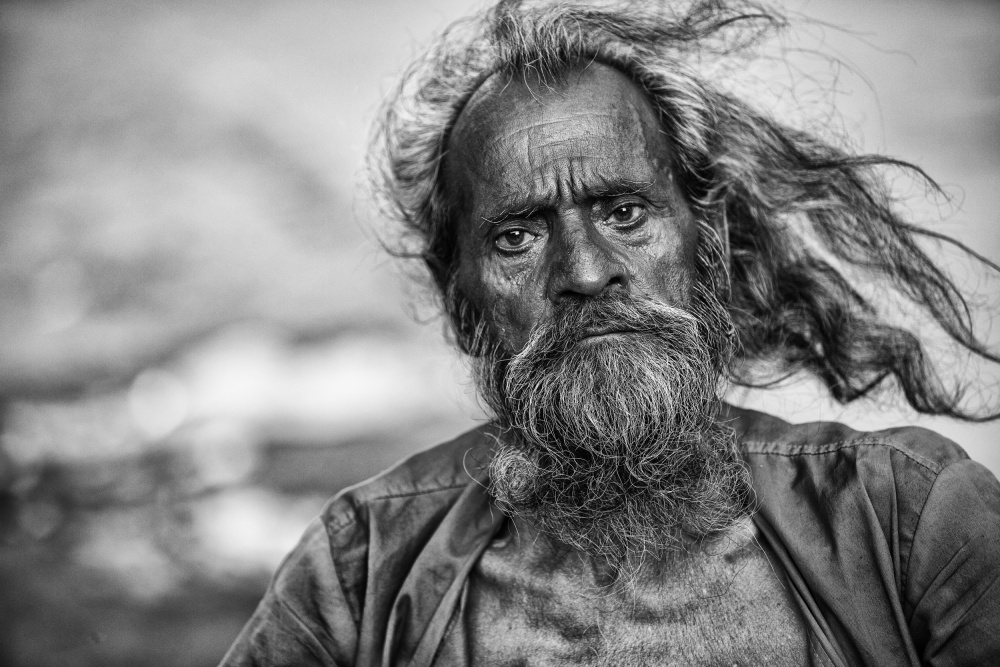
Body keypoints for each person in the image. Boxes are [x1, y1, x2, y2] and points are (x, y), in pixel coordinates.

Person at [221, 1, 1000, 664]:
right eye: (517, 237)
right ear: (462, 301)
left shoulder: (909, 523)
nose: (587, 272)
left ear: (709, 248)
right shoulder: (364, 570)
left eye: (625, 213)